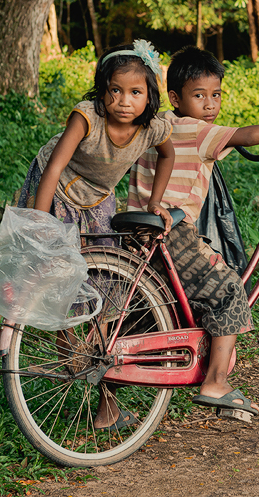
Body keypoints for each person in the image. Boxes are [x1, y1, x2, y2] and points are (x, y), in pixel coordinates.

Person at [128, 46, 259, 416]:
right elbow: (246, 136)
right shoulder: (196, 131)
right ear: (175, 97)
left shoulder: (158, 124)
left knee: (141, 314)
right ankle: (216, 383)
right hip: (173, 231)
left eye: (216, 95)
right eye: (199, 96)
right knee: (230, 291)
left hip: (137, 230)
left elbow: (228, 141)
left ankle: (106, 410)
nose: (210, 104)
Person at [16, 39, 176, 430]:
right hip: (56, 188)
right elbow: (54, 168)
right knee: (61, 279)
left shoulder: (153, 127)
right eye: (115, 90)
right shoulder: (87, 117)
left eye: (136, 92)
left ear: (150, 95)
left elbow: (168, 156)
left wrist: (156, 203)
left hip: (99, 199)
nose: (124, 101)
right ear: (102, 91)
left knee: (106, 289)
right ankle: (60, 351)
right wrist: (41, 224)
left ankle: (103, 397)